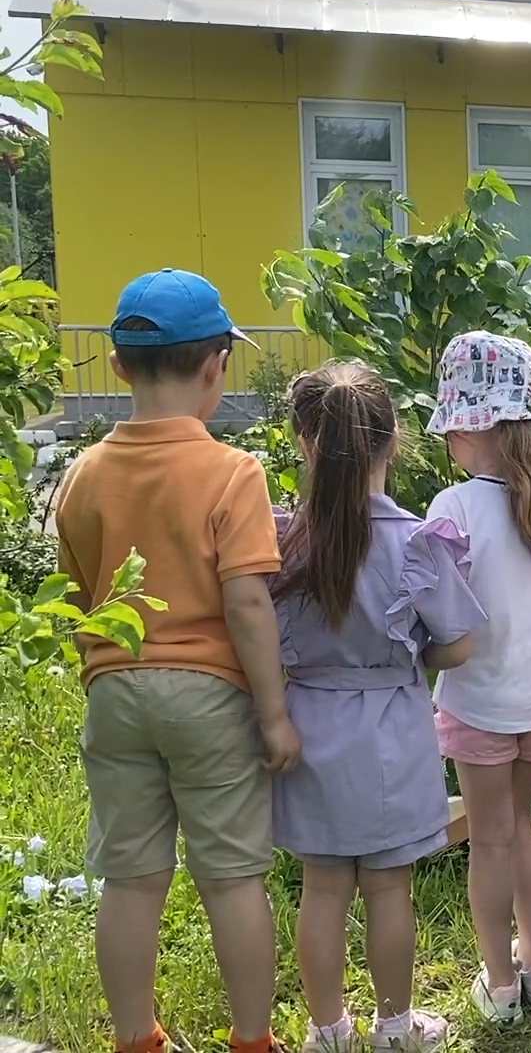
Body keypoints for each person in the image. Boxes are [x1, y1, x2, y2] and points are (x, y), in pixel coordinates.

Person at [55, 270, 298, 1053]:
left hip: (115, 689)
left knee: (130, 878)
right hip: (210, 696)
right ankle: (252, 1039)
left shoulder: (81, 473)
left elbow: (72, 596)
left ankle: (136, 1038)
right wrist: (273, 715)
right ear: (215, 366)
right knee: (230, 878)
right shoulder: (234, 473)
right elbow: (249, 604)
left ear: (119, 368)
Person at [270, 363, 486, 1052]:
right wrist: (409, 658)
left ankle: (328, 1030)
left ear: (304, 443)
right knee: (389, 891)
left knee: (323, 888)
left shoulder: (283, 540)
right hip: (391, 724)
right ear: (393, 442)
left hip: (308, 724)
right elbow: (458, 645)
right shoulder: (416, 541)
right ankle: (395, 1026)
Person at [424, 331, 531, 1023]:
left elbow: (441, 623)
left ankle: (498, 981)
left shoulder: (455, 508)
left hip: (479, 701)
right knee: (520, 824)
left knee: (489, 837)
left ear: (469, 428)